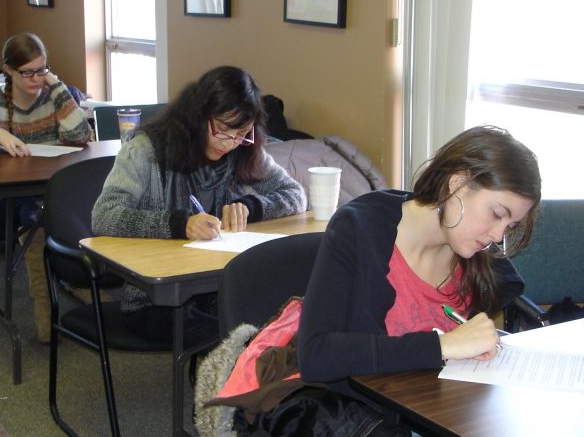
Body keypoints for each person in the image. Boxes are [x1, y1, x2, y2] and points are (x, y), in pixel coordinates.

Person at [232, 125, 541, 434]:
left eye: (510, 226)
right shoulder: (360, 228)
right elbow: (317, 355)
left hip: (440, 413)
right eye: (496, 214)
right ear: (458, 183)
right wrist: (441, 345)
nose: (497, 235)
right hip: (372, 418)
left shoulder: (479, 262)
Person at [91, 65, 307, 341]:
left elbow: (295, 194)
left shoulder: (243, 149)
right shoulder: (146, 150)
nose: (229, 143)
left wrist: (251, 206)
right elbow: (104, 215)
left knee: (276, 319)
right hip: (157, 301)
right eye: (222, 130)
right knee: (245, 333)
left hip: (219, 289)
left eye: (242, 133)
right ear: (198, 115)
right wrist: (179, 224)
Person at [0, 32, 92, 343]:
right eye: (27, 72)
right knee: (38, 223)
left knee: (80, 208)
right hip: (10, 198)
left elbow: (81, 135)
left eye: (42, 70)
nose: (35, 79)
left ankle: (81, 282)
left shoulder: (53, 96)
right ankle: (45, 306)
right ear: (8, 70)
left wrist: (57, 86)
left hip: (52, 190)